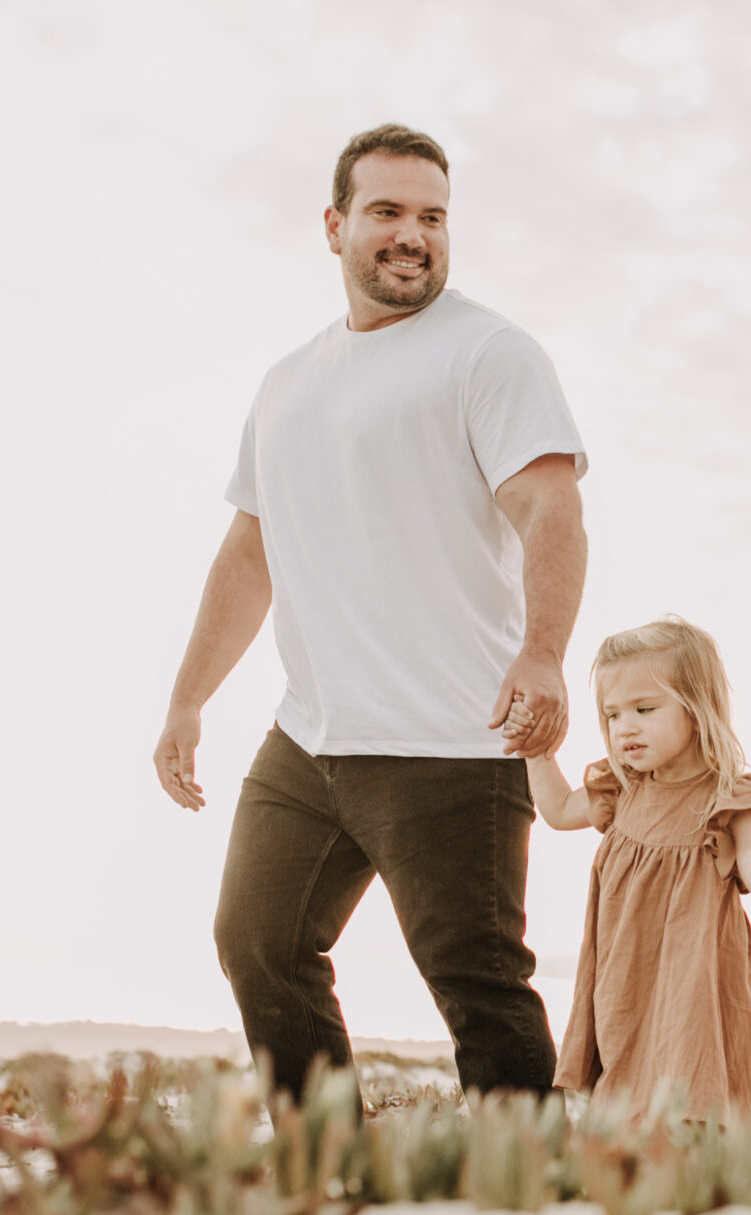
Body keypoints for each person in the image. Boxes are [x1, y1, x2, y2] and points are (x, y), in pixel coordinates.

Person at [152, 123, 587, 1104]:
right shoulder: (287, 382)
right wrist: (187, 702)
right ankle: (327, 1162)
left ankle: (523, 1195)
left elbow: (549, 506)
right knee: (257, 944)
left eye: (432, 217)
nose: (412, 235)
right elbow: (248, 554)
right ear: (334, 225)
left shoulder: (488, 353)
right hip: (309, 738)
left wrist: (545, 655)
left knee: (477, 986)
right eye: (387, 212)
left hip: (453, 741)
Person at [523, 618, 751, 1124]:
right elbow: (557, 810)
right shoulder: (621, 788)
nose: (626, 727)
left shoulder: (731, 796)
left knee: (691, 1102)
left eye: (645, 709)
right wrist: (538, 752)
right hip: (627, 984)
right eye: (613, 714)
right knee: (625, 1104)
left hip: (699, 987)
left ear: (696, 707)